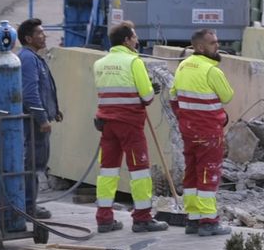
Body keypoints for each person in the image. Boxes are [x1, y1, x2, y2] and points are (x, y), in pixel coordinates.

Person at [92, 23, 168, 233]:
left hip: (107, 125)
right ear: (126, 40)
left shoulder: (99, 63)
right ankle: (142, 217)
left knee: (107, 171)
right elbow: (146, 97)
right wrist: (152, 90)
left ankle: (104, 218)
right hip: (130, 125)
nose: (137, 41)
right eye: (134, 37)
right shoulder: (134, 61)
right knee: (140, 171)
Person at [173, 28, 235, 236]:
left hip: (188, 131)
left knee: (191, 174)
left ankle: (193, 218)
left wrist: (185, 118)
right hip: (209, 132)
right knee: (209, 173)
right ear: (200, 47)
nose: (218, 46)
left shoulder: (182, 66)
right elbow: (227, 96)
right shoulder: (212, 71)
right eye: (212, 43)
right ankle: (209, 221)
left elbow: (173, 97)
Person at [18, 18, 61, 223]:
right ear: (28, 38)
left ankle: (29, 203)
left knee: (35, 163)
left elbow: (44, 89)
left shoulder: (34, 57)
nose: (44, 36)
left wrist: (55, 111)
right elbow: (30, 93)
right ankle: (28, 205)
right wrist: (42, 119)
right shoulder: (27, 58)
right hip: (33, 124)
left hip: (38, 121)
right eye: (39, 33)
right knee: (32, 163)